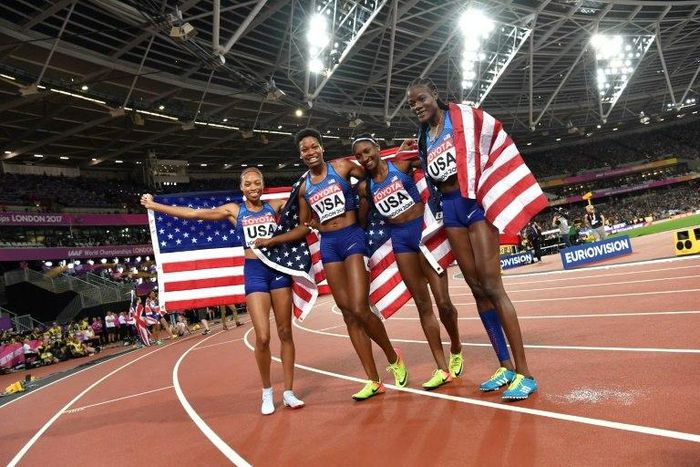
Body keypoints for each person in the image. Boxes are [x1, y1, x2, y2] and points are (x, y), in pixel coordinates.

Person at [404, 77, 544, 400]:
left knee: (493, 285)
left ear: (434, 93)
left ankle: (525, 372)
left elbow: (496, 138)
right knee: (477, 288)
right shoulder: (424, 136)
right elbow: (429, 175)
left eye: (421, 99)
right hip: (451, 211)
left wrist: (490, 186)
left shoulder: (465, 117)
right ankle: (505, 365)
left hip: (475, 202)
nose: (418, 106)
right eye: (412, 104)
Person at [254, 128, 408, 401]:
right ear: (300, 155)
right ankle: (373, 380)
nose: (310, 152)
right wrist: (273, 240)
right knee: (348, 313)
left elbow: (373, 179)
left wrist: (366, 199)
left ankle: (393, 357)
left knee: (360, 307)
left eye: (314, 146)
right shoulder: (303, 188)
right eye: (304, 149)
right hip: (329, 244)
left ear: (322, 148)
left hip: (352, 237)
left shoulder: (342, 166)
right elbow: (303, 227)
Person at [141, 167, 304, 415]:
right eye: (248, 184)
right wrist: (155, 206)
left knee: (285, 332)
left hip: (278, 270)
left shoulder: (276, 205)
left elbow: (304, 200)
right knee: (262, 336)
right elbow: (194, 214)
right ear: (242, 188)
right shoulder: (234, 210)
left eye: (257, 183)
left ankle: (289, 392)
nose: (253, 188)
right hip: (255, 272)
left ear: (263, 184)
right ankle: (267, 391)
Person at [353, 135, 462, 390]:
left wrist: (411, 150)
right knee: (424, 306)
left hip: (423, 232)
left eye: (368, 151)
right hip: (400, 241)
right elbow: (361, 220)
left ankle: (456, 347)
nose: (365, 158)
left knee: (443, 302)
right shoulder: (365, 188)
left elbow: (430, 161)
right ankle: (441, 368)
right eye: (359, 156)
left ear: (378, 149)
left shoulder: (400, 166)